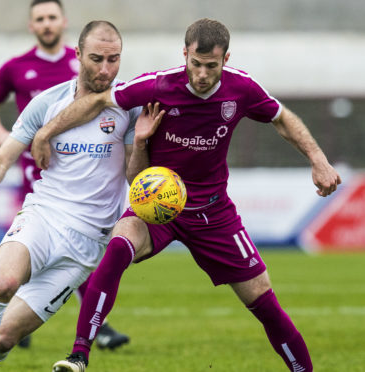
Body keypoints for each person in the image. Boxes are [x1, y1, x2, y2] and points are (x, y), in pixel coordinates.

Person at [33, 18, 342, 372]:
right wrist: (45, 133)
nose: (202, 75)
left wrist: (318, 160)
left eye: (211, 66)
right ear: (185, 55)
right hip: (159, 206)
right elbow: (99, 102)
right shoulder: (158, 85)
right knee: (118, 246)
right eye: (195, 64)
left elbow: (281, 117)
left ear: (226, 59)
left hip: (214, 213)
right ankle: (79, 355)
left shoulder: (242, 89)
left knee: (263, 301)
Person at [0, 20, 159, 372]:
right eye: (96, 58)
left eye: (114, 59)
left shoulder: (128, 110)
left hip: (85, 246)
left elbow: (133, 178)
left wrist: (141, 141)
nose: (105, 69)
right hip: (43, 216)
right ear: (78, 54)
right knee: (2, 283)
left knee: (5, 338)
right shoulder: (46, 103)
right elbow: (4, 156)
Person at [0, 0, 129, 350]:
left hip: (80, 171)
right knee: (30, 248)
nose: (46, 24)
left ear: (64, 23)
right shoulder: (15, 68)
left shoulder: (86, 64)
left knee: (74, 245)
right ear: (31, 25)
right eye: (40, 19)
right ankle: (23, 314)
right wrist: (5, 140)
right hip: (37, 174)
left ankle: (87, 323)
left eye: (52, 18)